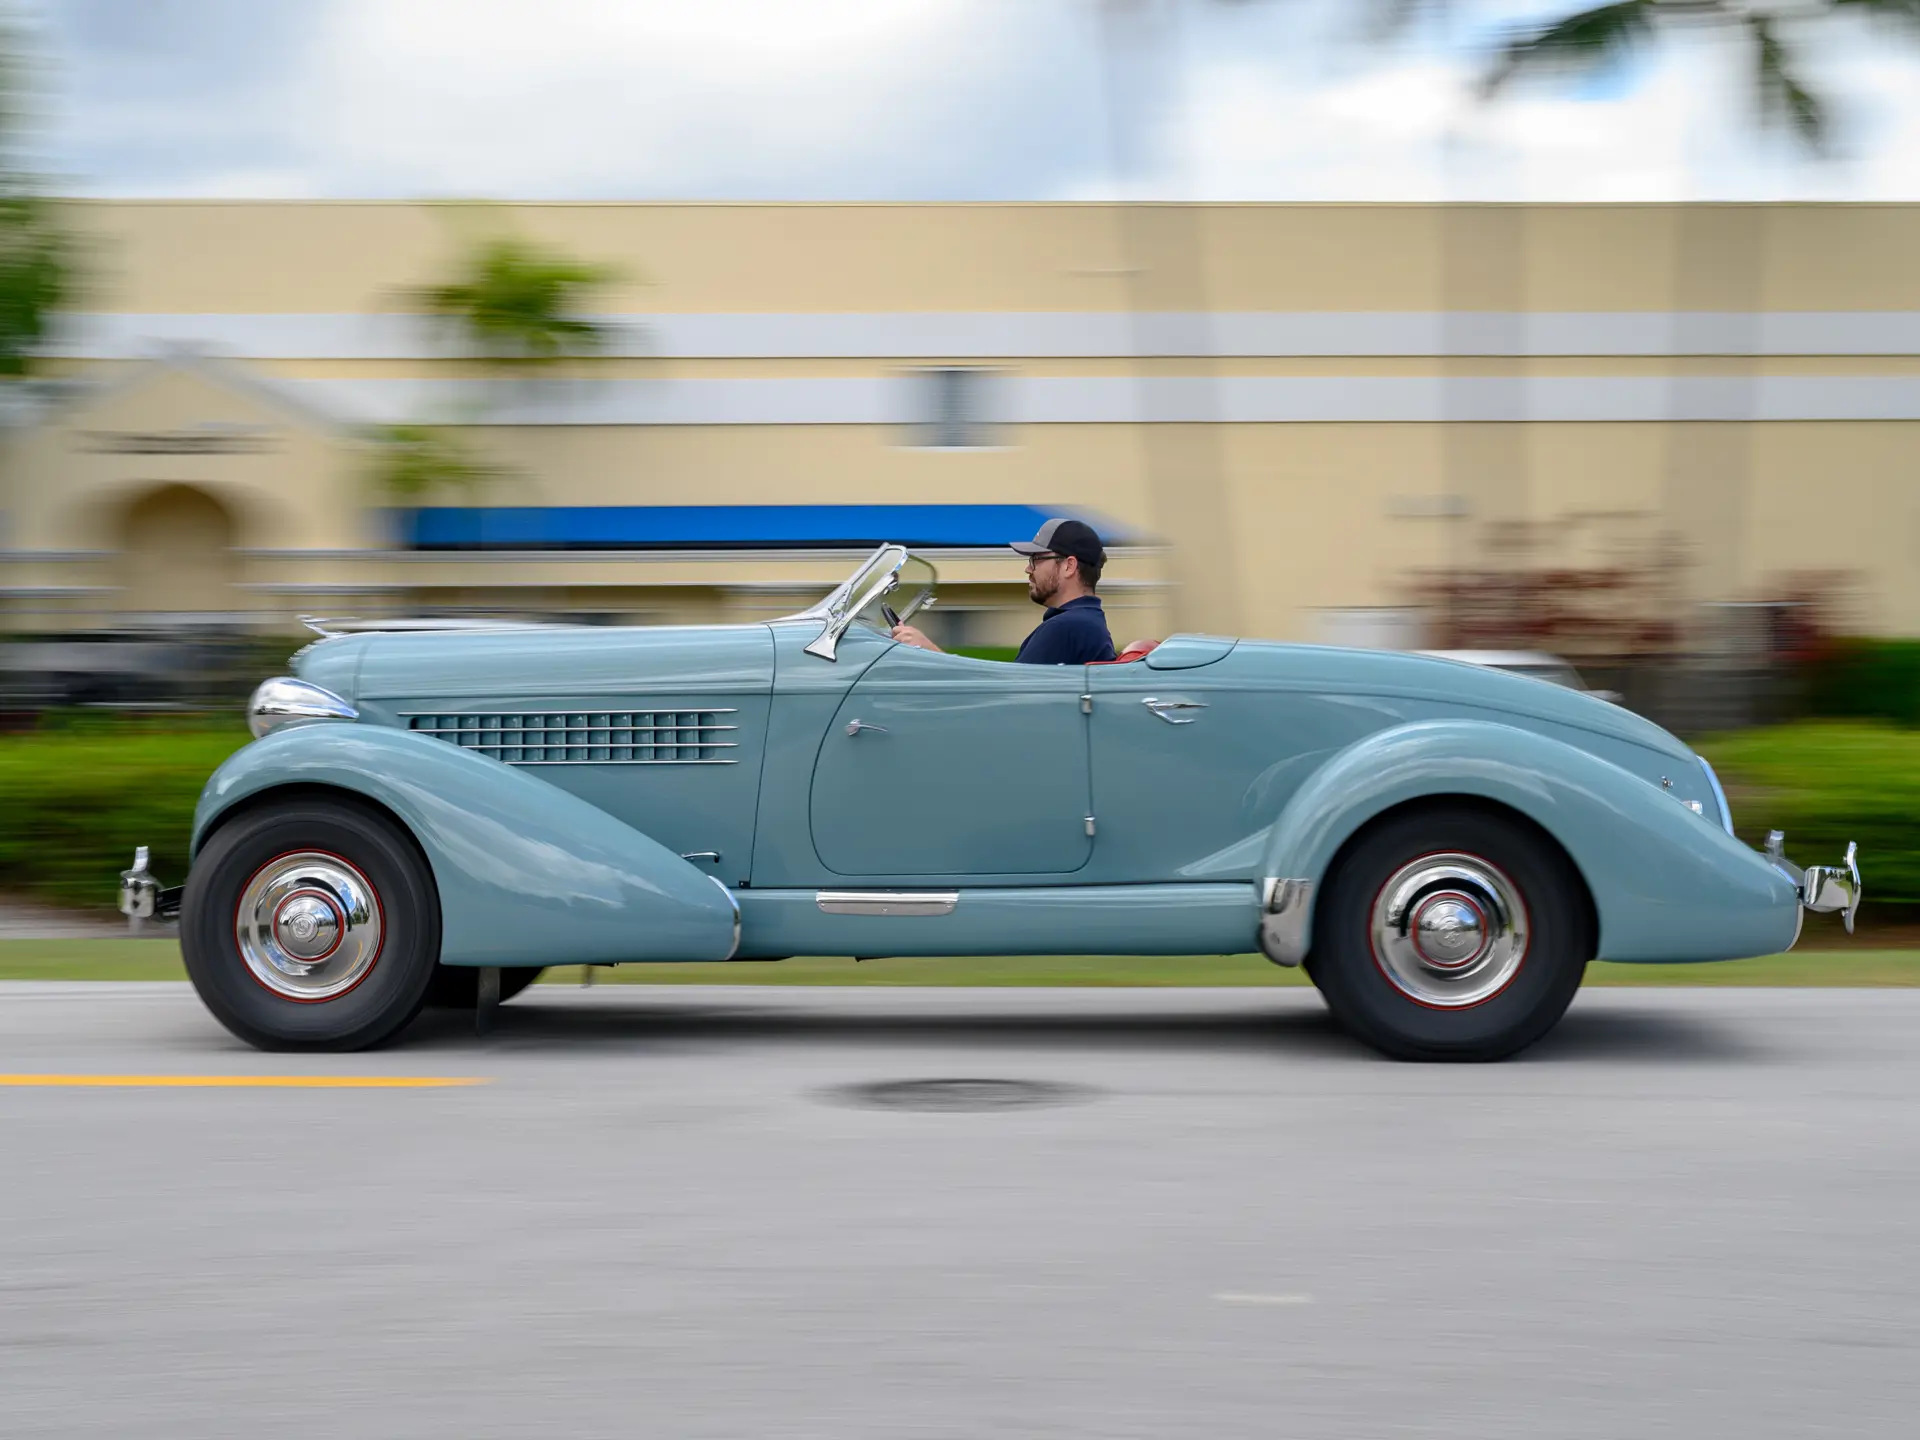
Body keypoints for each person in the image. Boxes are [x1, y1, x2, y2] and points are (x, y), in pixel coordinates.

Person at [891, 517, 1116, 664]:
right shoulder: (1083, 623)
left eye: (1037, 559)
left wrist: (928, 651)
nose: (1028, 568)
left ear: (1069, 566)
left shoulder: (1069, 627)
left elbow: (1001, 693)